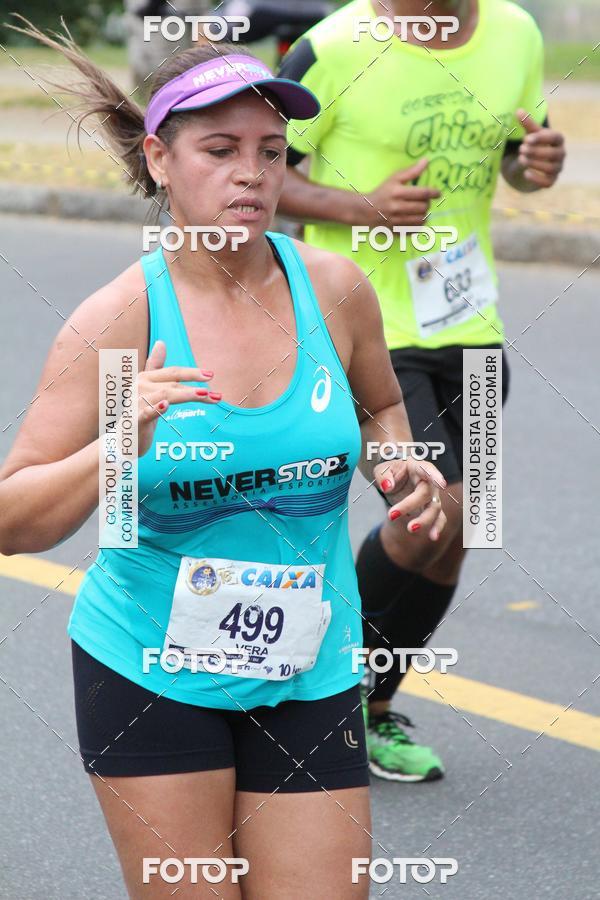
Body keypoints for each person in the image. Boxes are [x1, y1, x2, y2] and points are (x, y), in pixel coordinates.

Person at [0, 18, 448, 898]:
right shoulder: (118, 320)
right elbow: (14, 519)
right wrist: (118, 444)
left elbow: (382, 409)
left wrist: (400, 467)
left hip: (312, 666)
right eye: (220, 148)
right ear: (161, 160)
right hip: (149, 670)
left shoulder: (335, 287)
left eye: (273, 151)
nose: (252, 172)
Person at [277, 0, 565, 782]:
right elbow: (259, 176)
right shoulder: (331, 48)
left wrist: (533, 165)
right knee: (427, 516)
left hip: (471, 325)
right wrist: (357, 208)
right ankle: (319, 695)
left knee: (462, 531)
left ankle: (370, 709)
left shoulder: (516, 31)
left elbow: (512, 157)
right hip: (367, 325)